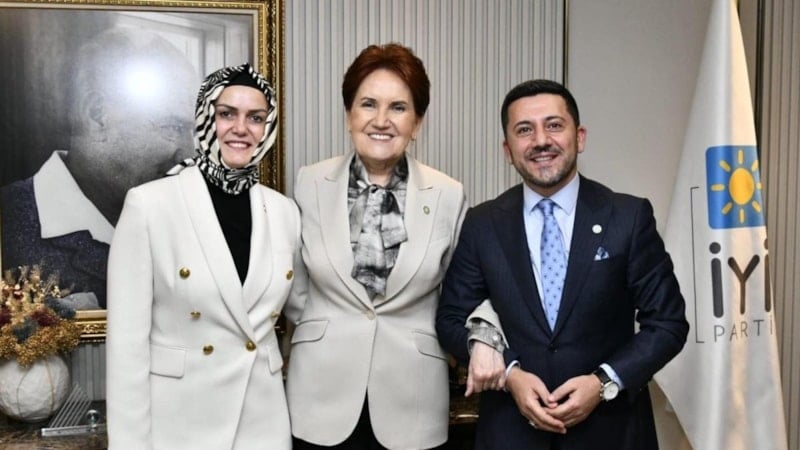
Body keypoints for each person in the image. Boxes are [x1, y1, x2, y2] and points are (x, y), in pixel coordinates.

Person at [435, 79, 689, 449]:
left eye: (554, 125)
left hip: (612, 434)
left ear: (579, 137)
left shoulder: (627, 217)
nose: (541, 140)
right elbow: (450, 319)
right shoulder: (483, 224)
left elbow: (667, 323)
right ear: (507, 150)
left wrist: (602, 383)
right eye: (525, 130)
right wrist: (509, 373)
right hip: (511, 434)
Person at [105, 63, 300, 449]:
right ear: (205, 118)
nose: (241, 128)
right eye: (227, 114)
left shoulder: (285, 212)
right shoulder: (150, 205)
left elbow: (308, 310)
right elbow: (127, 348)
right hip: (180, 425)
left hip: (263, 424)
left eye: (255, 117)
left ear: (268, 127)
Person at [283, 43, 467, 449]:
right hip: (319, 395)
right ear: (349, 114)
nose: (381, 121)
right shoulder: (309, 182)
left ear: (417, 122)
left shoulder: (448, 195)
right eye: (368, 104)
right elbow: (293, 286)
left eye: (398, 108)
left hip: (413, 399)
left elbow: (462, 291)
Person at [0, 27, 196, 308]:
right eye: (172, 127)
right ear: (97, 116)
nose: (189, 154)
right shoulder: (9, 223)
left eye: (193, 132)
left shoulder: (189, 225)